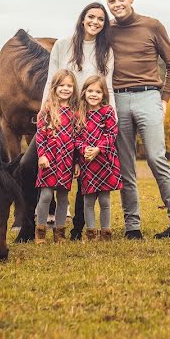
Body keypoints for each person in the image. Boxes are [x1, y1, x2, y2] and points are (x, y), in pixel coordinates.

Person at [105, 0, 170, 239]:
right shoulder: (107, 31)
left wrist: (165, 99)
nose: (117, 4)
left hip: (149, 96)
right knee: (125, 166)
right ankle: (132, 227)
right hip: (117, 100)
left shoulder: (152, 26)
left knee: (155, 157)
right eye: (112, 1)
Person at [41, 2, 115, 239]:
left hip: (89, 115)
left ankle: (78, 228)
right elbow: (51, 79)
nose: (95, 22)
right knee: (29, 164)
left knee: (86, 171)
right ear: (82, 19)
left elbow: (109, 86)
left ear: (104, 25)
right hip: (60, 113)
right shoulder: (63, 46)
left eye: (100, 19)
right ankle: (34, 223)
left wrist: (111, 116)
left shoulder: (106, 51)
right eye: (91, 17)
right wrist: (46, 109)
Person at [75, 75, 123, 241]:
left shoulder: (107, 111)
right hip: (87, 163)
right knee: (88, 201)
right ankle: (91, 233)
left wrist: (98, 149)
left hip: (104, 162)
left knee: (104, 200)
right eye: (90, 90)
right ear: (84, 92)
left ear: (104, 94)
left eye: (98, 91)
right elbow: (77, 139)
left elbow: (112, 134)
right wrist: (84, 150)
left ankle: (106, 233)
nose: (93, 94)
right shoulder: (80, 113)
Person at [34, 69, 78, 244]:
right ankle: (40, 232)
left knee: (63, 198)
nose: (65, 89)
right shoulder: (47, 110)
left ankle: (59, 234)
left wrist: (76, 163)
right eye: (62, 85)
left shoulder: (75, 113)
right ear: (54, 87)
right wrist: (42, 155)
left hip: (67, 161)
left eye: (69, 85)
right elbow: (40, 136)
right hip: (49, 160)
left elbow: (77, 140)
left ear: (74, 88)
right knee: (45, 196)